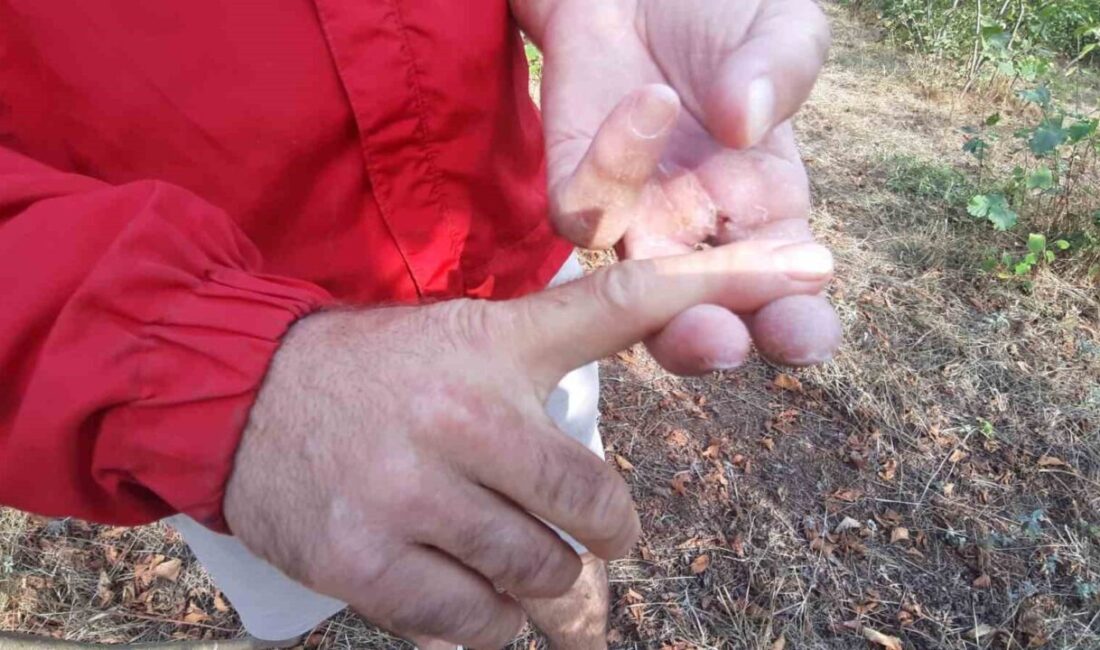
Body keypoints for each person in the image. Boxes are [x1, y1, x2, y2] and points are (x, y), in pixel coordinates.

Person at [0, 1, 838, 648]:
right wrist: (200, 368)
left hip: (512, 267)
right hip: (240, 390)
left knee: (561, 532)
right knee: (419, 589)